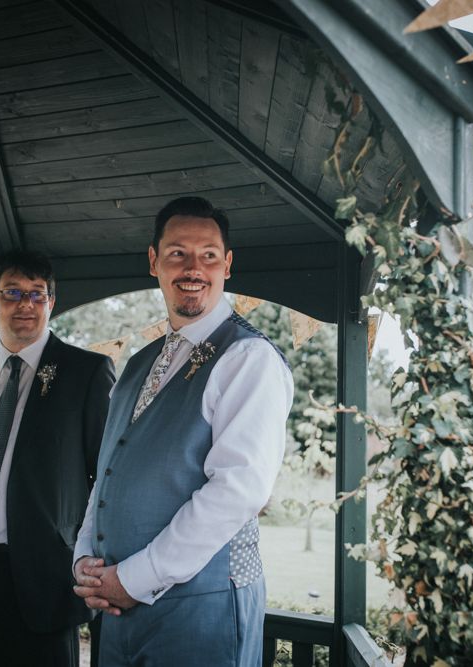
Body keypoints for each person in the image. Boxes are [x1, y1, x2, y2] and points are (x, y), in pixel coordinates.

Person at [73, 196, 293, 666]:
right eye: (177, 253)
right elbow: (106, 471)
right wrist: (85, 559)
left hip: (203, 609)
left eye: (209, 255)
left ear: (227, 265)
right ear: (154, 261)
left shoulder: (248, 358)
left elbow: (238, 489)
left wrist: (133, 579)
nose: (194, 267)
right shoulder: (136, 365)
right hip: (116, 608)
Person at [0, 250, 115, 667]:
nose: (25, 304)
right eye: (12, 293)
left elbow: (108, 477)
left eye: (37, 294)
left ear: (51, 303)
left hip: (40, 577)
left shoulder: (88, 372)